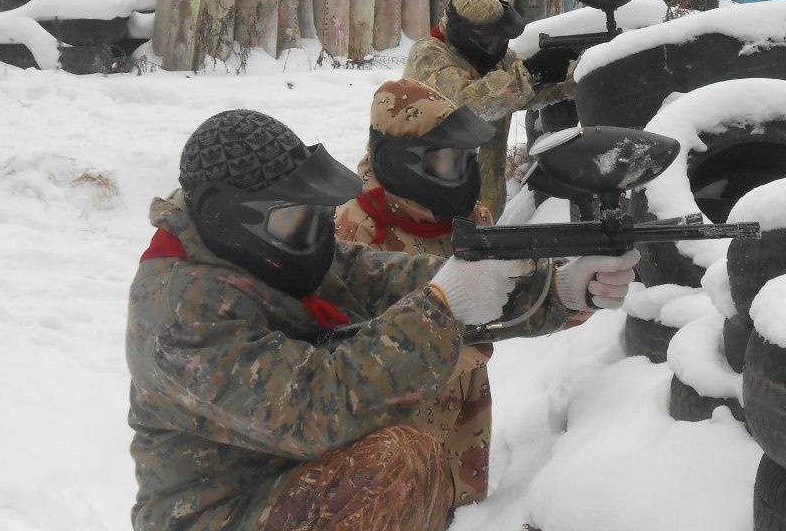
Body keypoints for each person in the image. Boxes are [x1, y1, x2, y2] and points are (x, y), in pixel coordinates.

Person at [125, 108, 638, 531]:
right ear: (223, 213)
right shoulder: (179, 309)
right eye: (293, 217)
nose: (314, 233)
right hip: (218, 512)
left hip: (285, 481)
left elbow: (399, 280)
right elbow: (316, 407)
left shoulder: (264, 253)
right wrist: (444, 308)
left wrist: (559, 289)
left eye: (316, 216)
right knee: (394, 462)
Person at [335, 77, 500, 507]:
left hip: (464, 406)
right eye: (447, 162)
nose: (461, 175)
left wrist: (572, 293)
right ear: (402, 162)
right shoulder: (358, 230)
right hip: (396, 422)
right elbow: (365, 354)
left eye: (466, 160)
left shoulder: (467, 216)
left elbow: (507, 293)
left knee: (465, 510)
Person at [404, 0, 576, 219]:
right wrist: (531, 73)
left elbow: (527, 91)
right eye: (490, 40)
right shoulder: (428, 57)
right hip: (428, 210)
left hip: (481, 213)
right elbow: (468, 106)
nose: (498, 48)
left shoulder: (495, 59)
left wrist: (577, 74)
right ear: (463, 32)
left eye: (501, 39)